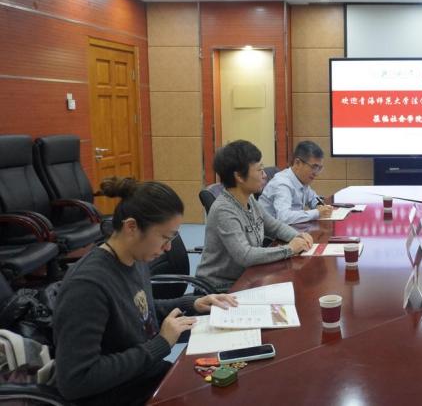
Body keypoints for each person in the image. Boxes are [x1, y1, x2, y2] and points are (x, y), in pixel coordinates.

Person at [53, 178, 238, 405]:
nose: (168, 247)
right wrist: (161, 344)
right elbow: (76, 381)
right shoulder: (87, 287)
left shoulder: (134, 258)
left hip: (145, 376)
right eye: (164, 238)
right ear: (131, 227)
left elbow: (138, 312)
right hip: (118, 395)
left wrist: (192, 304)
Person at [197, 140, 313, 292]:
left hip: (247, 276)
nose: (264, 175)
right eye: (259, 170)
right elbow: (245, 256)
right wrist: (290, 249)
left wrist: (298, 236)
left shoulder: (249, 198)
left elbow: (274, 226)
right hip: (219, 288)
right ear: (239, 176)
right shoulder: (224, 210)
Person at [259, 140, 334, 224]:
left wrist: (319, 206)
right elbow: (284, 217)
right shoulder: (282, 184)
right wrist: (317, 213)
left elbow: (313, 199)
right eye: (314, 167)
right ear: (297, 163)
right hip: (269, 231)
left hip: (291, 228)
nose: (316, 173)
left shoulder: (302, 180)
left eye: (319, 168)